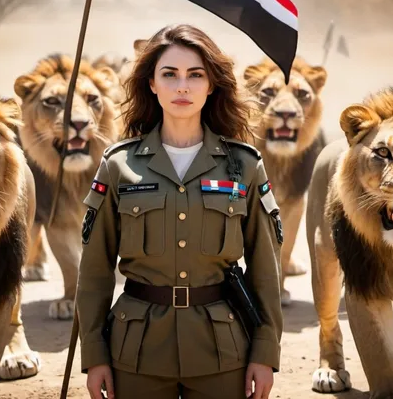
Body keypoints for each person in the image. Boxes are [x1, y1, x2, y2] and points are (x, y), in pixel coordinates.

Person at [77, 23, 283, 399]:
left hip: (222, 351)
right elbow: (94, 272)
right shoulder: (118, 165)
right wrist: (94, 356)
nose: (182, 87)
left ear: (212, 84)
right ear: (152, 84)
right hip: (136, 353)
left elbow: (266, 268)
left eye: (195, 75)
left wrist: (265, 352)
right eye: (169, 75)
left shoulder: (245, 165)